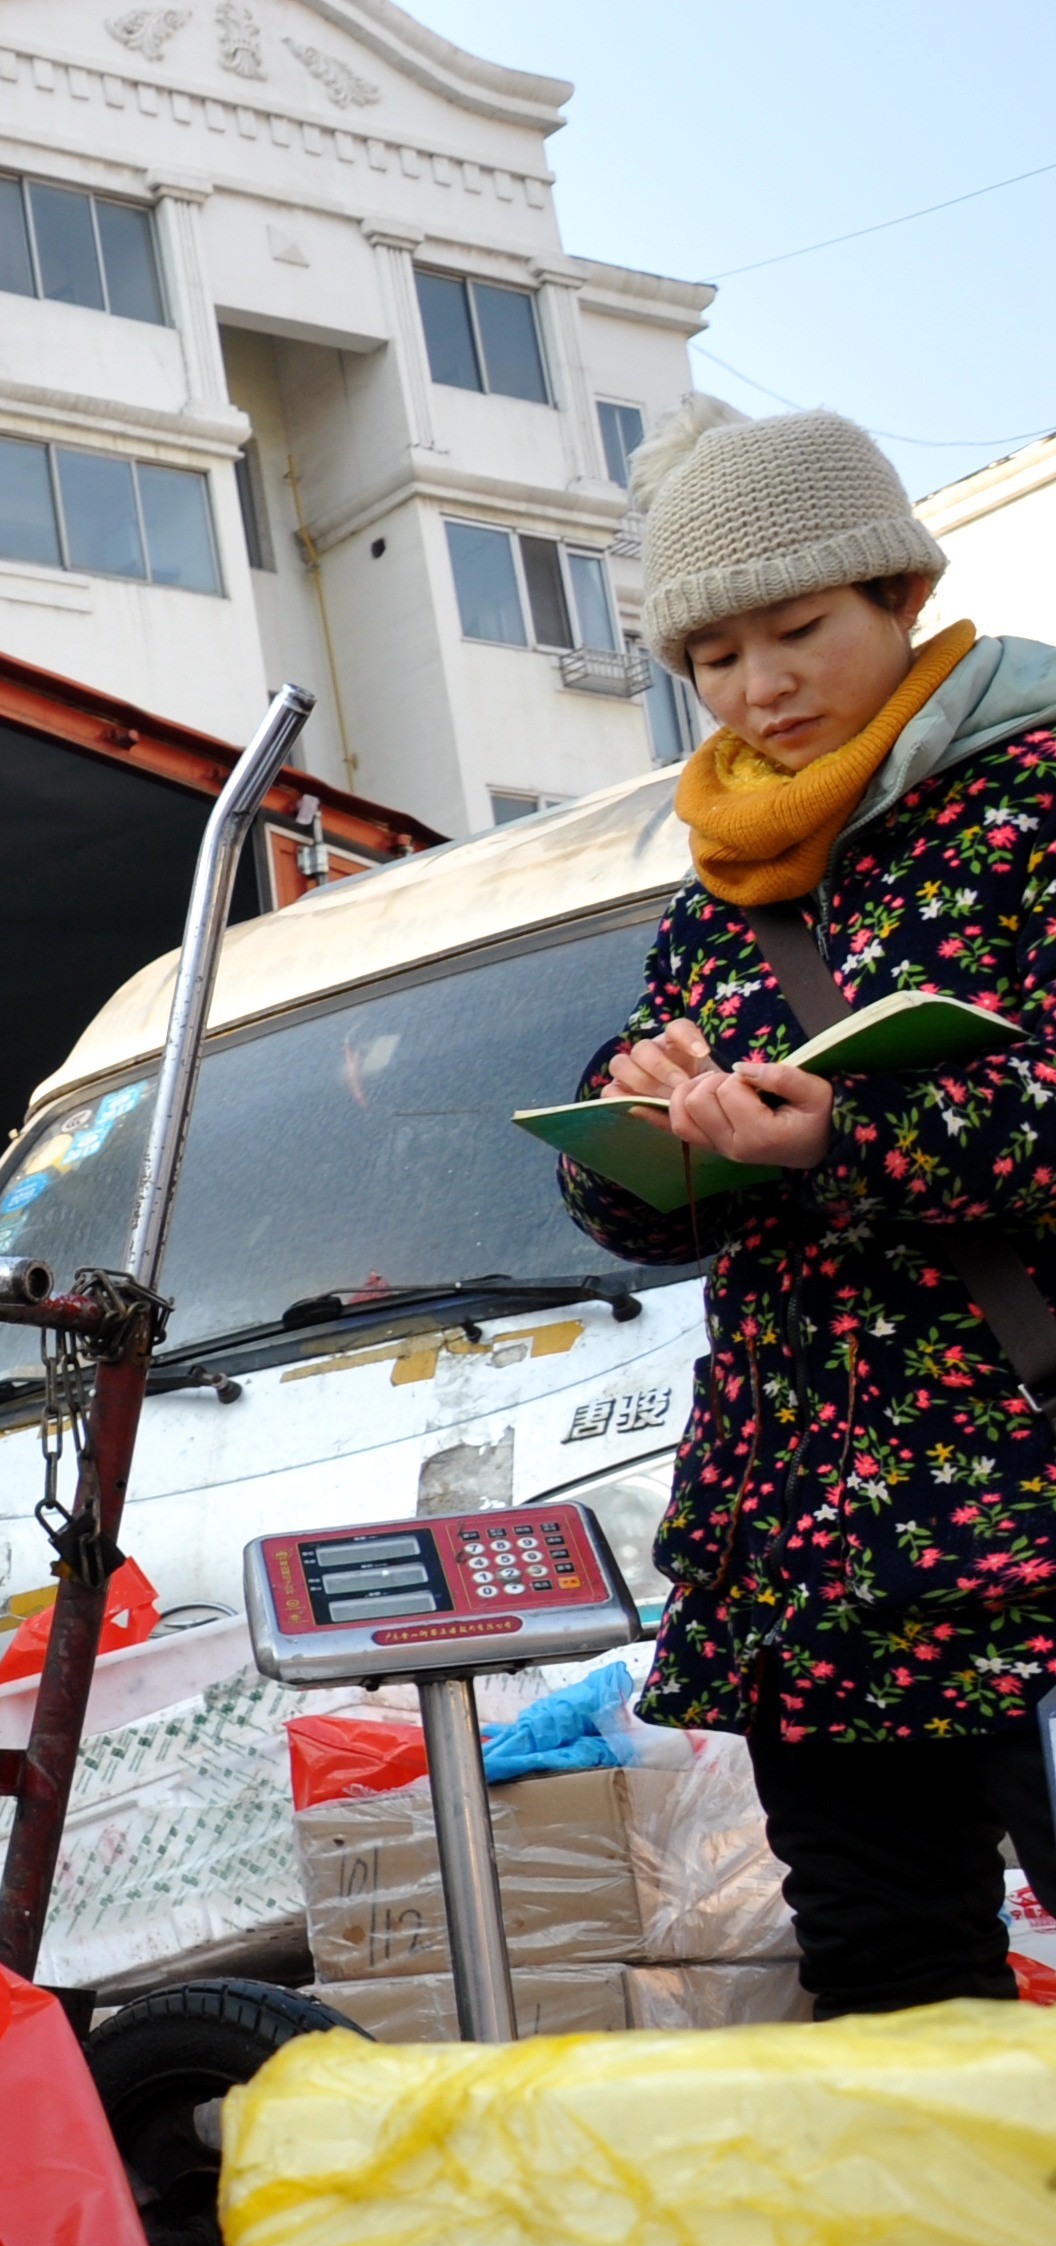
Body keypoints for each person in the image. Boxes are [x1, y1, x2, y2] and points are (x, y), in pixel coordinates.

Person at [556, 397, 1056, 2017]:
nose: (759, 690)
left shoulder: (1034, 796)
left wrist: (852, 1135)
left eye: (798, 632)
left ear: (904, 600)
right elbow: (641, 1215)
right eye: (712, 657)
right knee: (890, 1977)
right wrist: (642, 1128)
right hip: (816, 1536)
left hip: (1019, 1501)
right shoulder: (718, 882)